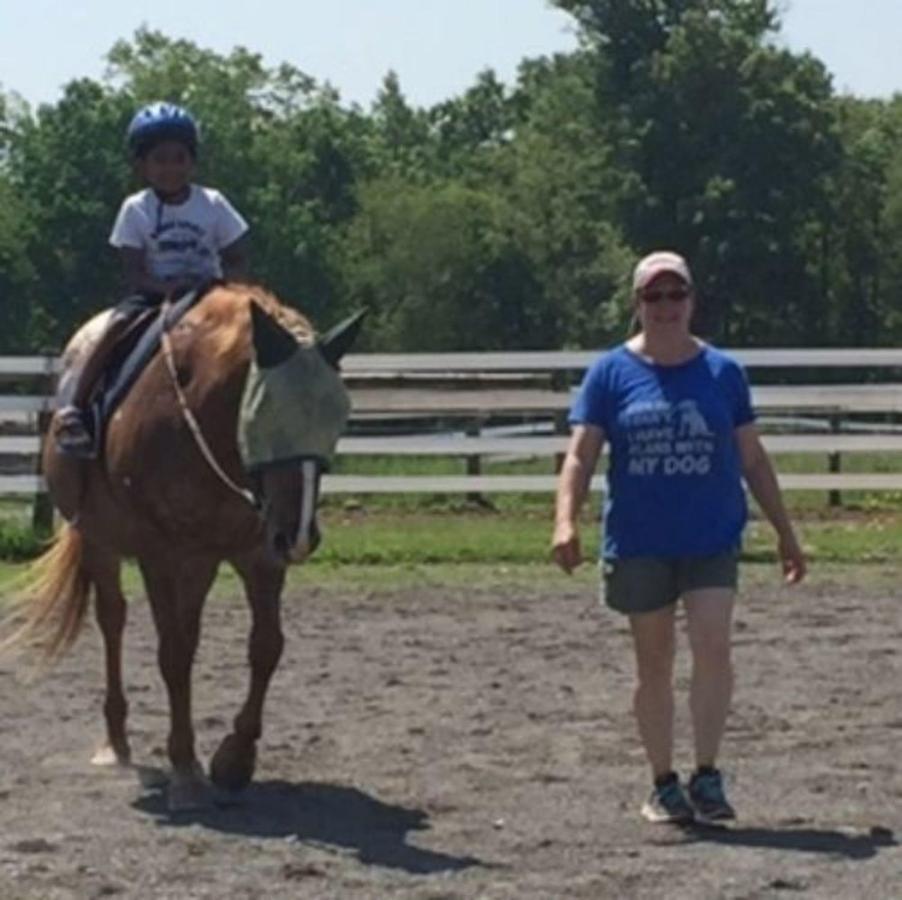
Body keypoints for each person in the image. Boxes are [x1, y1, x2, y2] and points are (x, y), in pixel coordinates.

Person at [551, 250, 806, 825]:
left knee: (714, 647)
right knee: (655, 662)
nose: (665, 307)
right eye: (653, 297)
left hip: (711, 533)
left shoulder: (723, 372)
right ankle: (662, 780)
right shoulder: (611, 374)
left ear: (691, 300)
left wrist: (786, 533)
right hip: (640, 539)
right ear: (637, 305)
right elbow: (580, 457)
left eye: (675, 294)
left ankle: (707, 773)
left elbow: (752, 458)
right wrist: (566, 519)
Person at [55, 101, 250, 457]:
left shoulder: (213, 204)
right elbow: (133, 270)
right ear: (142, 165)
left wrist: (225, 287)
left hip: (210, 296)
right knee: (115, 327)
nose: (170, 168)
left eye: (179, 158)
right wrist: (167, 290)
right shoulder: (136, 209)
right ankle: (77, 409)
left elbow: (236, 255)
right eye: (159, 160)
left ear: (192, 161)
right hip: (153, 296)